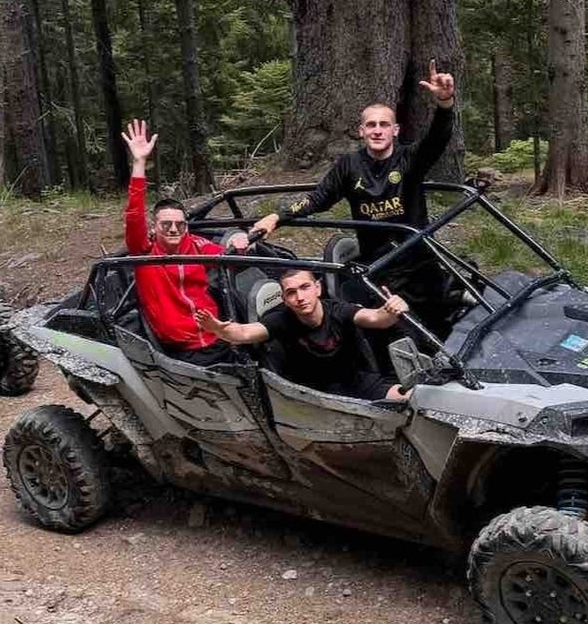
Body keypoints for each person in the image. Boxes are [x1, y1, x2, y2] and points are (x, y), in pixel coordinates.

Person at [252, 61, 457, 336]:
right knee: (405, 331)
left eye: (384, 125)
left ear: (395, 130)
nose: (377, 130)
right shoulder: (349, 166)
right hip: (381, 266)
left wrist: (444, 102)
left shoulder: (410, 158)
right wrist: (278, 216)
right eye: (370, 125)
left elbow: (437, 139)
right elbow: (319, 199)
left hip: (420, 259)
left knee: (444, 321)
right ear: (361, 131)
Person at [122, 119, 249, 365]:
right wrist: (139, 163)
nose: (173, 229)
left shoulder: (196, 245)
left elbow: (226, 256)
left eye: (179, 224)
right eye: (166, 224)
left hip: (217, 338)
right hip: (183, 350)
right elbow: (134, 215)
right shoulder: (144, 251)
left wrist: (238, 240)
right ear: (154, 227)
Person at [192, 266, 409, 400]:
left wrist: (392, 309)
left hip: (356, 382)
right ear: (285, 299)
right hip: (314, 396)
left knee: (410, 399)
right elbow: (244, 333)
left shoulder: (337, 309)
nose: (300, 297)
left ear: (318, 288)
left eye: (305, 287)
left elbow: (376, 319)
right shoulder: (281, 319)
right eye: (291, 292)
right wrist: (219, 329)